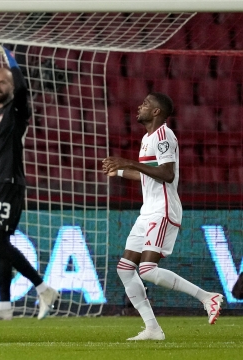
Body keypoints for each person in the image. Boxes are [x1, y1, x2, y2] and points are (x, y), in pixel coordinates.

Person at [103, 92, 223, 341]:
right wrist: (121, 172)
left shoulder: (164, 135)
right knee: (126, 268)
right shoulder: (147, 138)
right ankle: (153, 329)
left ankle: (206, 297)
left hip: (163, 210)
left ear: (157, 112)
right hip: (148, 211)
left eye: (146, 103)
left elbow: (167, 174)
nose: (140, 106)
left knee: (146, 269)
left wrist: (129, 163)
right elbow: (150, 175)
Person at [0, 46, 59, 320]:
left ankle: (43, 288)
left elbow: (23, 89)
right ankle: (5, 305)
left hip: (9, 183)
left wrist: (13, 63)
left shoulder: (17, 111)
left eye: (2, 81)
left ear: (11, 86)